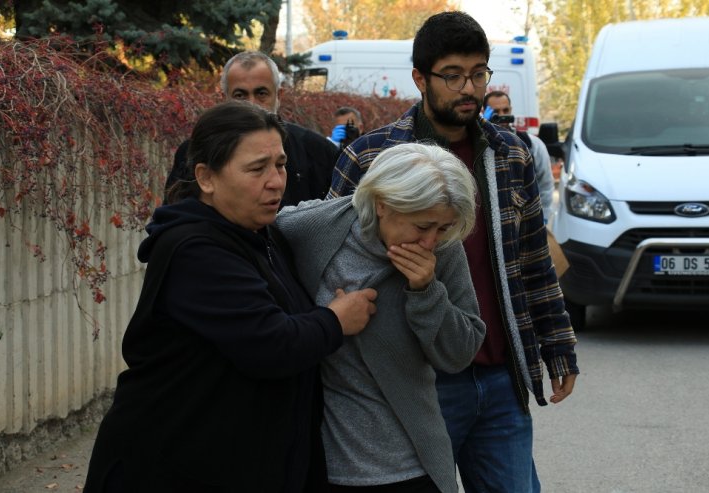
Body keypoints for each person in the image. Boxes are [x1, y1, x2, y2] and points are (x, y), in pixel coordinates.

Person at [327, 11, 579, 493]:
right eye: (453, 76)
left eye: (479, 74)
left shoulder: (511, 154)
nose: (469, 88)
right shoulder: (371, 158)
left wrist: (558, 345)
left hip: (500, 376)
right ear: (420, 79)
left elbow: (533, 260)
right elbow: (333, 261)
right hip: (416, 382)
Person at [84, 100, 377, 493]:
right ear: (206, 177)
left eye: (280, 165)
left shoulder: (260, 235)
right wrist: (336, 320)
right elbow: (271, 344)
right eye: (257, 169)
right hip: (169, 467)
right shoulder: (195, 250)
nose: (276, 182)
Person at [277, 142, 486, 492]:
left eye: (444, 228)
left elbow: (460, 353)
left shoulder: (443, 251)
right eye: (422, 226)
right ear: (382, 204)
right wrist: (329, 321)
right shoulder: (314, 228)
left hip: (414, 464)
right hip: (324, 465)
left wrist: (426, 291)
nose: (431, 242)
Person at [164, 51, 339, 206]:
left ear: (279, 95)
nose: (251, 104)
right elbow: (173, 218)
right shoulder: (195, 153)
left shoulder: (317, 152)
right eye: (240, 95)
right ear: (225, 98)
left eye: (261, 93)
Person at [483, 90, 556, 222]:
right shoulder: (479, 144)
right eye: (496, 112)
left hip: (525, 219)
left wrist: (543, 217)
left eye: (505, 110)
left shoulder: (532, 144)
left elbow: (545, 184)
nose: (502, 115)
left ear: (511, 110)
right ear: (485, 112)